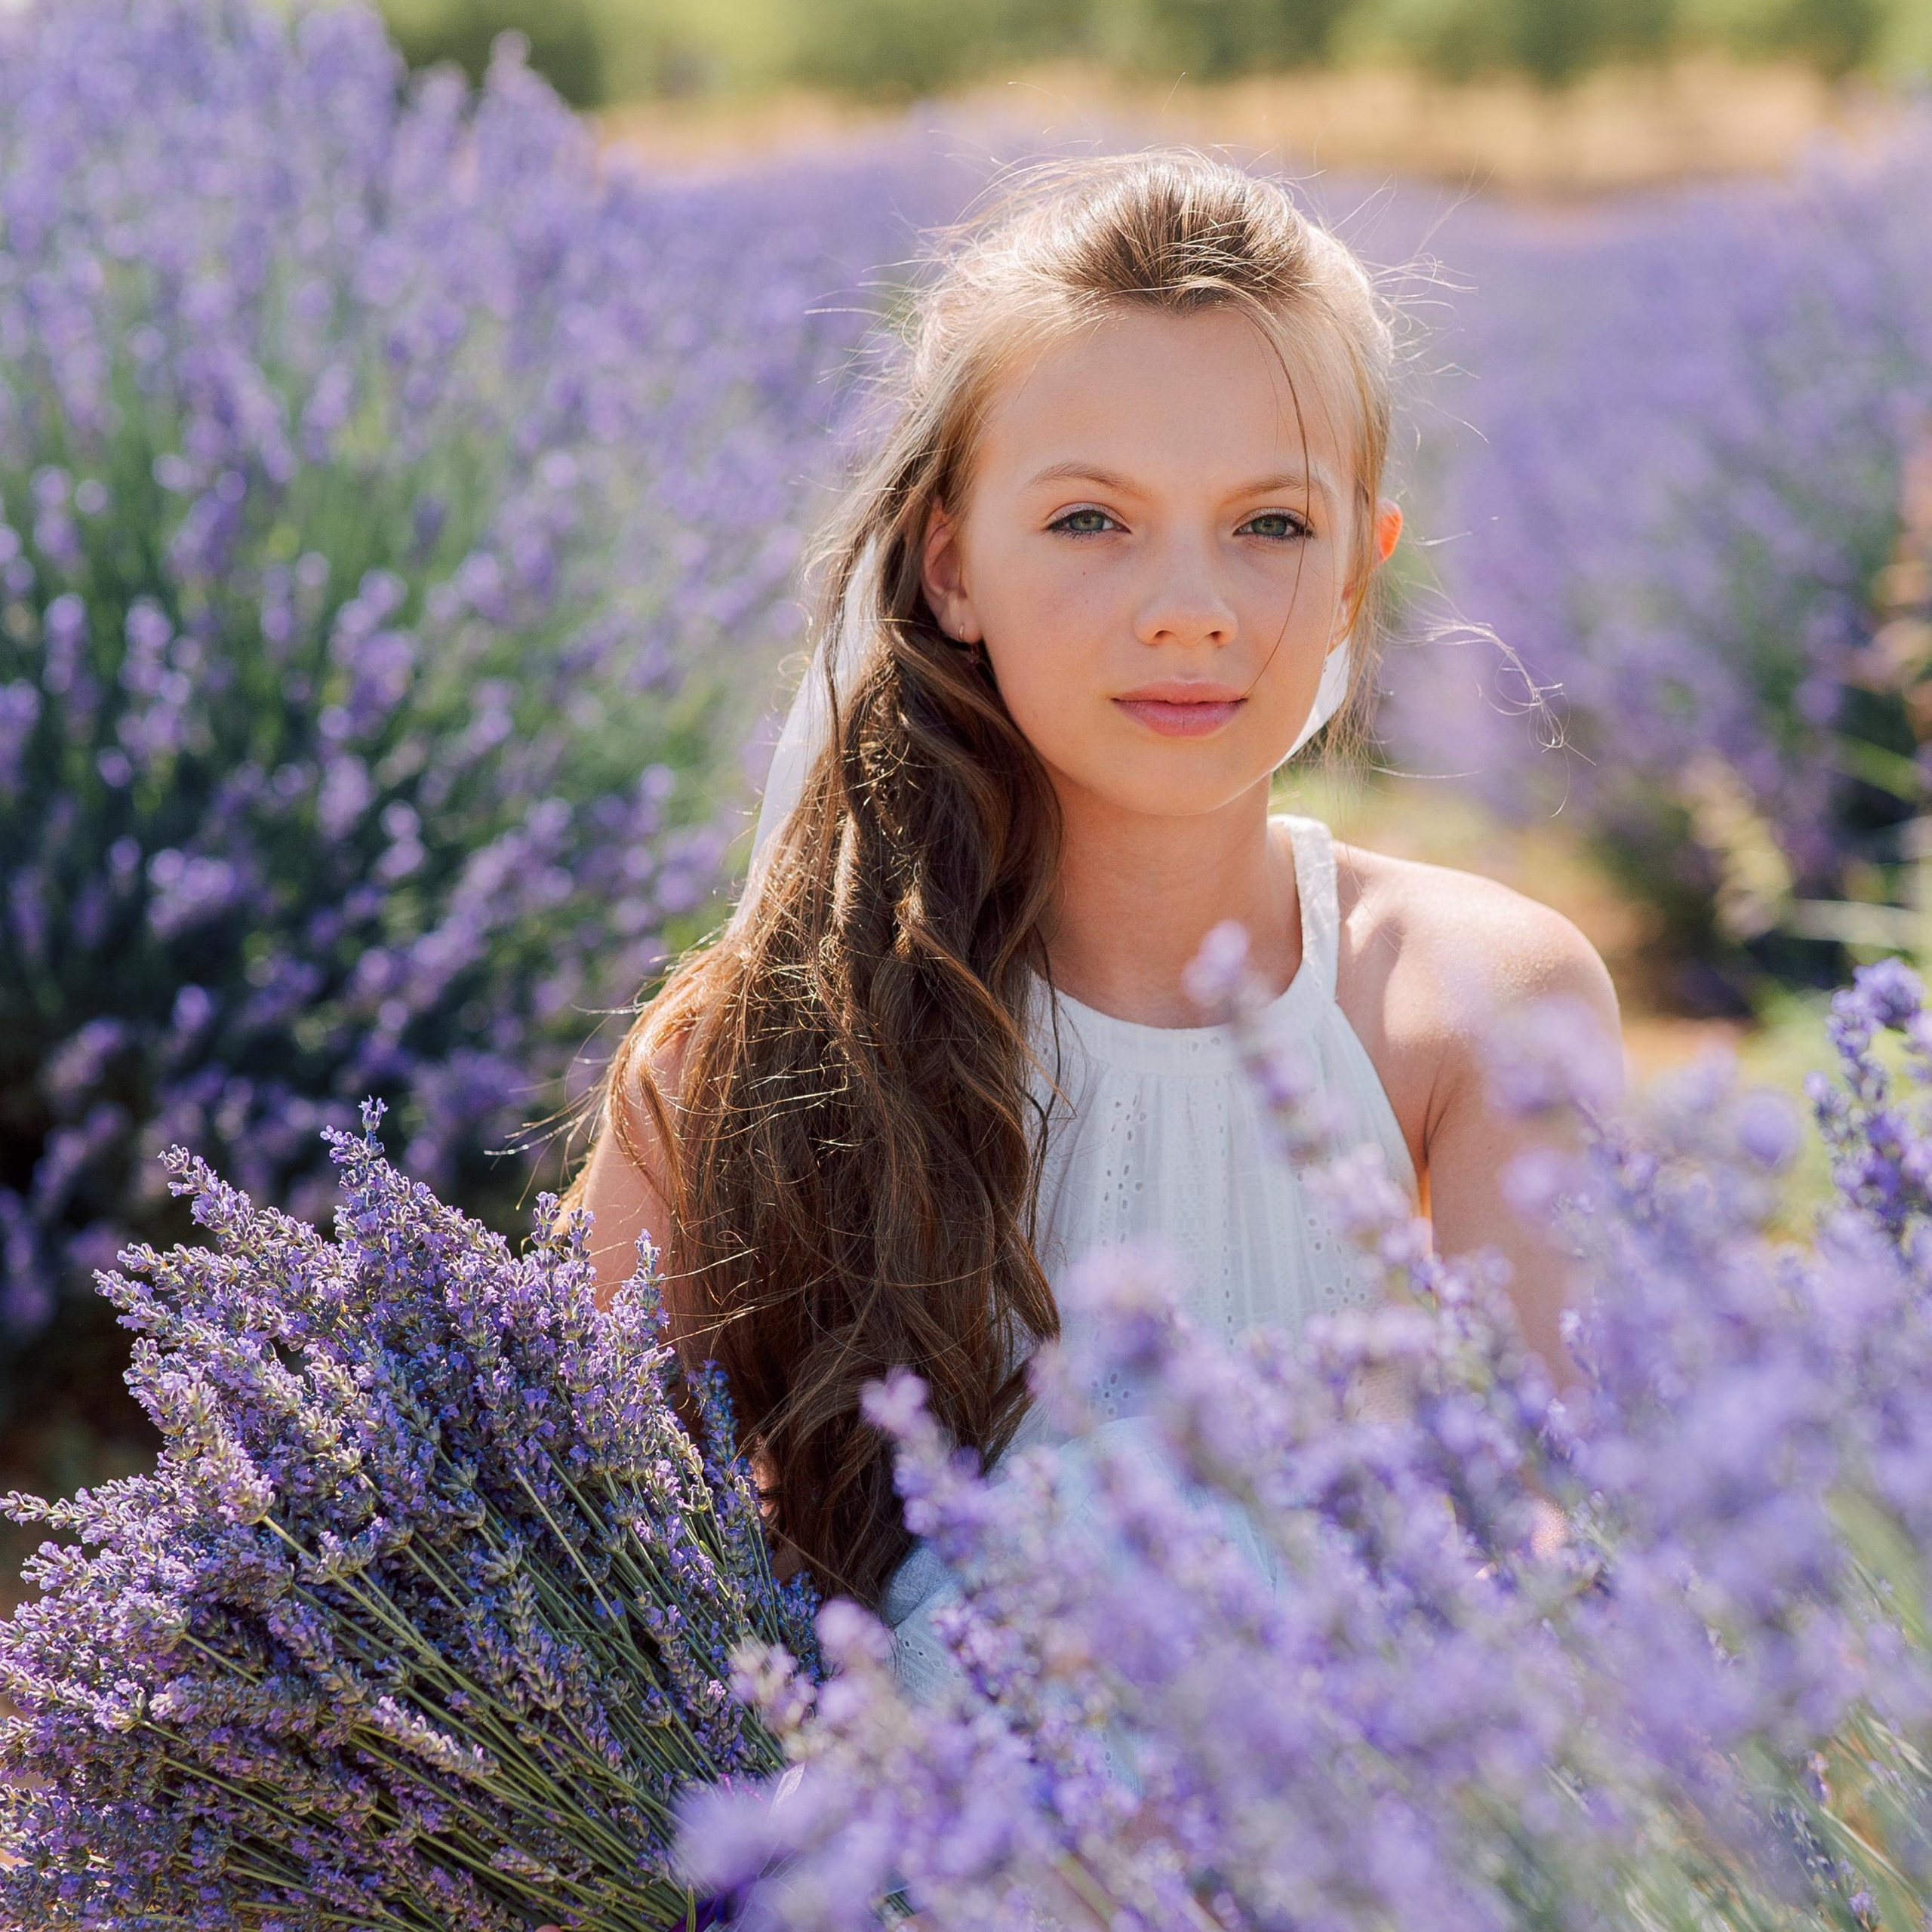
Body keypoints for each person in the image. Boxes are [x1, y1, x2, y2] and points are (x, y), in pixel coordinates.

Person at [558, 147, 1623, 1709]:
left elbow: (1544, 1578)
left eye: (1268, 524)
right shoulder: (760, 1046)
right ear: (949, 562)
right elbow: (576, 1584)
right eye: (1085, 520)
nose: (1187, 603)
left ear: (1353, 576)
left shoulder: (1470, 1007)